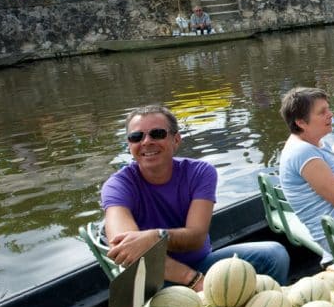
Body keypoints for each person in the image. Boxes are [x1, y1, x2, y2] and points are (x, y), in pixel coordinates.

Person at [103, 105, 290, 288]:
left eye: (157, 134)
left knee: (275, 255)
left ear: (176, 140)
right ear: (130, 145)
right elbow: (127, 252)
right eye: (136, 137)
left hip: (202, 262)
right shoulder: (118, 185)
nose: (146, 142)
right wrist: (192, 279)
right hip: (152, 277)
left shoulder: (200, 172)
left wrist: (156, 237)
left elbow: (196, 237)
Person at [279, 88, 334, 250]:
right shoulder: (302, 152)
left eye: (328, 109)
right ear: (301, 122)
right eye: (322, 112)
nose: (330, 114)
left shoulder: (317, 143)